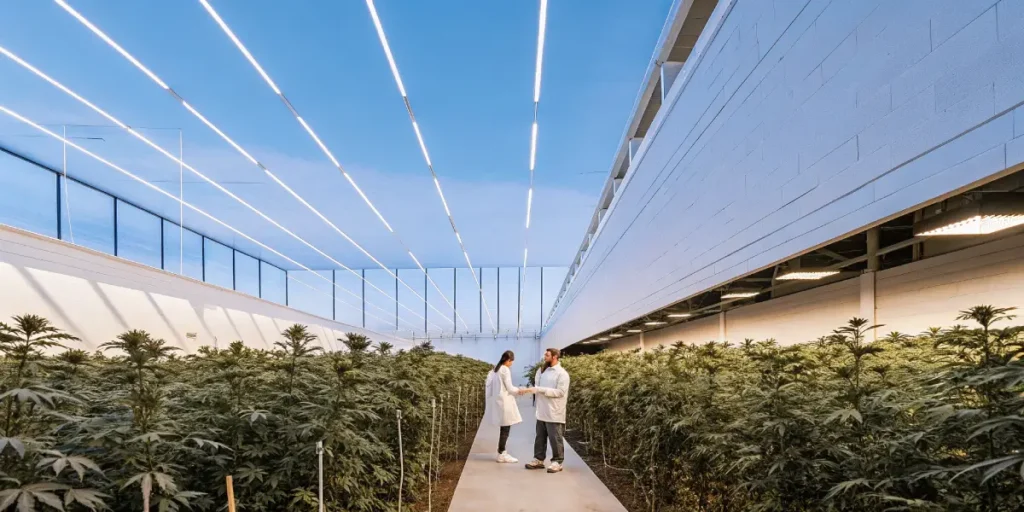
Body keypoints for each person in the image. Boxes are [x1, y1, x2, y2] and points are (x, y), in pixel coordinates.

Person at [524, 348, 570, 473]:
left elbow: (560, 392)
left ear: (555, 357)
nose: (545, 356)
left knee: (555, 438)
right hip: (542, 410)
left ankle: (557, 461)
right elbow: (537, 386)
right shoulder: (542, 370)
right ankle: (539, 459)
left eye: (547, 355)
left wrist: (541, 390)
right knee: (540, 437)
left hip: (554, 411)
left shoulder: (562, 374)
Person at [485, 350, 523, 463]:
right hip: (505, 402)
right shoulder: (505, 370)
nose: (511, 364)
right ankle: (502, 453)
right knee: (505, 429)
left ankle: (501, 452)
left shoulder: (495, 370)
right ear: (508, 360)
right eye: (511, 361)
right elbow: (510, 388)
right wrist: (520, 390)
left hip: (498, 401)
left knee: (504, 428)